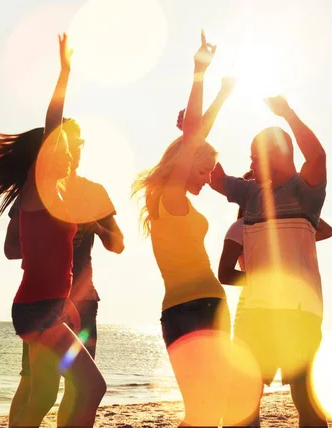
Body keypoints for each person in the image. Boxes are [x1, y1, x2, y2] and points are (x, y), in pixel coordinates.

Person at [0, 34, 106, 427]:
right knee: (92, 387)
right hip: (36, 310)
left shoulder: (57, 193)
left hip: (44, 307)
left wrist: (67, 302)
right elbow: (53, 121)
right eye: (62, 145)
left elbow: (53, 263)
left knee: (43, 392)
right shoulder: (39, 184)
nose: (70, 150)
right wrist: (64, 73)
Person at [131, 31, 235, 427]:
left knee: (200, 412)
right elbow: (194, 137)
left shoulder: (160, 202)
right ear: (182, 161)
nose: (207, 177)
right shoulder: (171, 198)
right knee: (211, 410)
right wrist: (203, 76)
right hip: (204, 307)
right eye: (202, 167)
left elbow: (190, 141)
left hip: (173, 313)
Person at [210, 95, 329, 427]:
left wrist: (288, 113)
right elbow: (215, 178)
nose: (250, 160)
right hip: (257, 314)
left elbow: (318, 156)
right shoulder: (250, 193)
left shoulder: (305, 190)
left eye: (254, 154)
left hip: (299, 313)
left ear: (276, 153)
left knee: (306, 399)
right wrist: (193, 134)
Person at [5, 118, 124, 425]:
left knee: (77, 387)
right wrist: (49, 237)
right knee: (36, 386)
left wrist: (94, 226)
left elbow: (118, 244)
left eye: (79, 144)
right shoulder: (37, 189)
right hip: (43, 302)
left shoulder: (94, 192)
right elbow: (10, 249)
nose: (75, 150)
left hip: (82, 301)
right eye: (69, 144)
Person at [218, 170, 332, 426]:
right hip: (254, 313)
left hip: (294, 312)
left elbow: (326, 230)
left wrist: (298, 209)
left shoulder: (284, 224)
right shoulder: (240, 228)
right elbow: (224, 274)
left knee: (304, 394)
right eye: (254, 189)